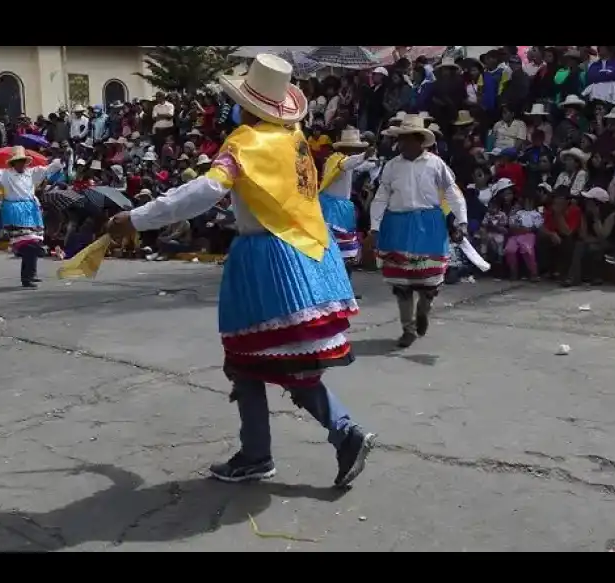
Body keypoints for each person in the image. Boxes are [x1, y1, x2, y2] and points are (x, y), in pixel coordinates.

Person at [107, 54, 376, 488]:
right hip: (310, 256)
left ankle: (308, 441)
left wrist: (135, 218)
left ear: (248, 104)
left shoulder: (245, 142)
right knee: (277, 362)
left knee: (252, 360)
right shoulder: (295, 141)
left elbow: (204, 191)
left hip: (268, 263)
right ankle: (297, 441)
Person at [369, 114, 469, 349]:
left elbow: (452, 191)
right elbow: (382, 195)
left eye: (405, 139)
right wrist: (374, 226)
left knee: (429, 281)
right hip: (398, 224)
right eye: (399, 140)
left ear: (418, 140)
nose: (400, 144)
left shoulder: (435, 163)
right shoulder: (392, 166)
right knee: (401, 283)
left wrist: (461, 221)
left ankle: (424, 309)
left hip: (429, 224)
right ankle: (408, 328)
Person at [0, 146, 62, 288]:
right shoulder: (5, 175)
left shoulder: (32, 173)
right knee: (28, 244)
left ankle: (32, 273)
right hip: (14, 210)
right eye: (18, 161)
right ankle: (27, 277)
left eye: (23, 161)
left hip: (31, 210)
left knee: (34, 241)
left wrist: (60, 157)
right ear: (13, 162)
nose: (21, 164)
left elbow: (50, 169)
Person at [319, 128, 377, 299]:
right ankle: (334, 289)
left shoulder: (344, 160)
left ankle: (344, 289)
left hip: (342, 209)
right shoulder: (337, 160)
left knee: (348, 251)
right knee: (337, 250)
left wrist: (372, 161)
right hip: (332, 211)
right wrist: (364, 156)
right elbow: (349, 164)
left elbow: (359, 165)